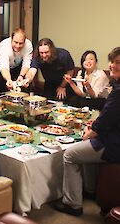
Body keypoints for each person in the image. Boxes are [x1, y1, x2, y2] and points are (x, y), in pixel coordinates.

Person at [54, 47, 120, 216]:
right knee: (85, 145)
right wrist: (95, 127)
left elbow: (105, 118)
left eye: (118, 63)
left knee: (69, 155)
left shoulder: (117, 91)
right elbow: (109, 117)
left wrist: (93, 131)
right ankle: (90, 190)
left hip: (114, 144)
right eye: (112, 62)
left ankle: (72, 204)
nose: (112, 65)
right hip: (112, 136)